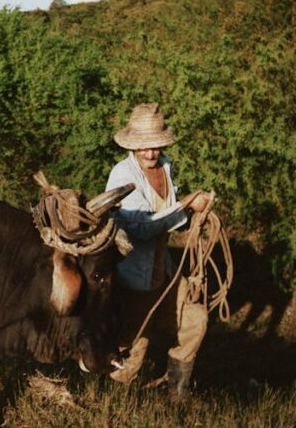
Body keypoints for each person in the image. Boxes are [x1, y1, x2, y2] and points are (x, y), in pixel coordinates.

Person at [105, 103, 211, 400]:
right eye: (144, 148)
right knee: (134, 345)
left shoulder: (165, 166)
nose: (151, 153)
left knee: (195, 320)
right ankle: (112, 399)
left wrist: (194, 219)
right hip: (132, 275)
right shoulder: (121, 176)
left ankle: (177, 391)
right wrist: (187, 205)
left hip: (163, 270)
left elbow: (171, 221)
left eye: (156, 146)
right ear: (133, 146)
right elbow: (142, 228)